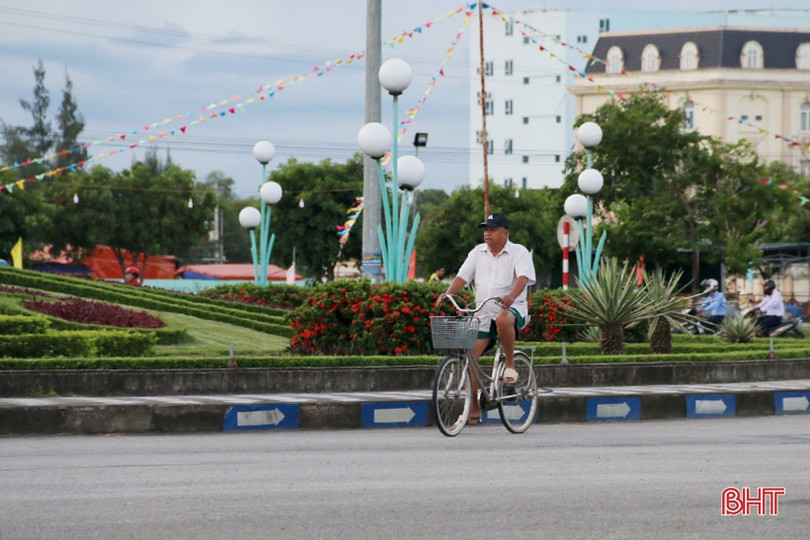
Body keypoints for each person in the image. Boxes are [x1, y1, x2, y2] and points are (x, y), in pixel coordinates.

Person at [436, 213, 536, 424]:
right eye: (486, 230)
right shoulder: (477, 252)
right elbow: (462, 277)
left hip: (512, 308)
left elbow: (523, 277)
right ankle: (474, 408)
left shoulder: (519, 252)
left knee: (502, 318)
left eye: (492, 230)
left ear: (505, 233)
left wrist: (511, 296)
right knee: (470, 357)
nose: (487, 233)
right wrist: (448, 293)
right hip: (482, 313)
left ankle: (510, 364)